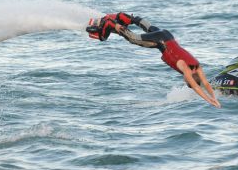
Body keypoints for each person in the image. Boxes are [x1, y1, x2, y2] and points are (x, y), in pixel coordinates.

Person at [86, 13, 221, 108]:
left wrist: (213, 97)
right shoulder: (186, 69)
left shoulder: (198, 67)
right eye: (187, 81)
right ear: (190, 79)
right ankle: (110, 24)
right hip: (161, 42)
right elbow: (197, 86)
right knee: (134, 38)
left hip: (168, 36)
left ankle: (130, 18)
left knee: (149, 28)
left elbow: (205, 83)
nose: (185, 80)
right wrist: (209, 100)